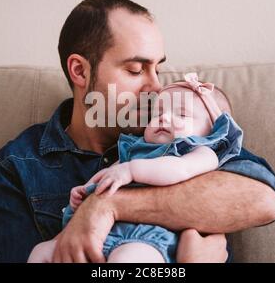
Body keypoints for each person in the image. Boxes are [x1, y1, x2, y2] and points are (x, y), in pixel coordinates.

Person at [0, 0, 275, 263]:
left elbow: (264, 199)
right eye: (136, 70)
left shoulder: (182, 133)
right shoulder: (14, 167)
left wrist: (107, 205)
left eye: (157, 69)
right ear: (80, 71)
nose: (155, 87)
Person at [27, 72, 244, 263]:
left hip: (148, 238)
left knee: (127, 258)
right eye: (157, 113)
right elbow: (109, 176)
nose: (164, 118)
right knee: (41, 252)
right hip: (100, 234)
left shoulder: (202, 153)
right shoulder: (134, 149)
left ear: (213, 131)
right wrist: (86, 191)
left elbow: (179, 169)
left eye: (182, 114)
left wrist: (130, 170)